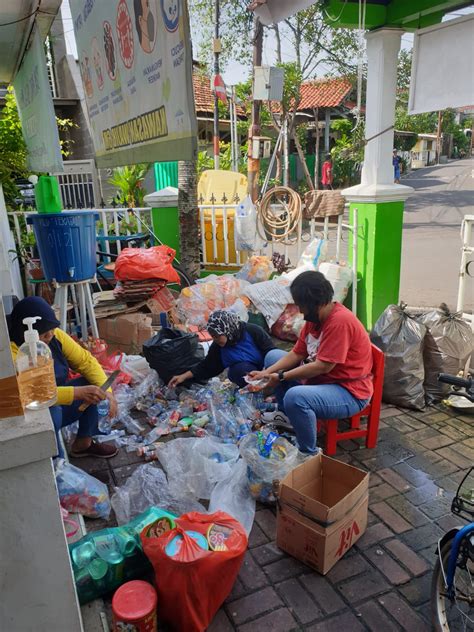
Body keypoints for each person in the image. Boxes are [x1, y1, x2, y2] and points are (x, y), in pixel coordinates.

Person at [249, 271, 373, 454]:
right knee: (272, 357)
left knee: (295, 397)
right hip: (324, 380)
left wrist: (280, 376)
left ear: (316, 303)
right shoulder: (314, 319)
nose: (300, 311)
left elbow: (323, 366)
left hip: (349, 390)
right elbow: (298, 353)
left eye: (302, 306)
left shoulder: (339, 322)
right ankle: (288, 415)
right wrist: (267, 373)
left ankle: (308, 452)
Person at [9, 297, 118, 459]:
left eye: (52, 330)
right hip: (29, 413)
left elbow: (85, 362)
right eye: (45, 334)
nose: (51, 335)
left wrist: (107, 391)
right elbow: (29, 394)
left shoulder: (54, 335)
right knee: (52, 412)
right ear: (27, 334)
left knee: (92, 385)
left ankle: (83, 443)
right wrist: (76, 393)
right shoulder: (12, 353)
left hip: (58, 402)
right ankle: (55, 462)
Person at [168, 310, 276, 389]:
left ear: (228, 330)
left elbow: (271, 352)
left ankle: (273, 387)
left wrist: (266, 372)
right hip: (249, 376)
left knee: (274, 356)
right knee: (239, 369)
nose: (215, 340)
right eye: (212, 336)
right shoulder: (218, 346)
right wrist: (183, 376)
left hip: (267, 371)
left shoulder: (253, 331)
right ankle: (255, 392)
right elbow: (207, 367)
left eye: (217, 336)